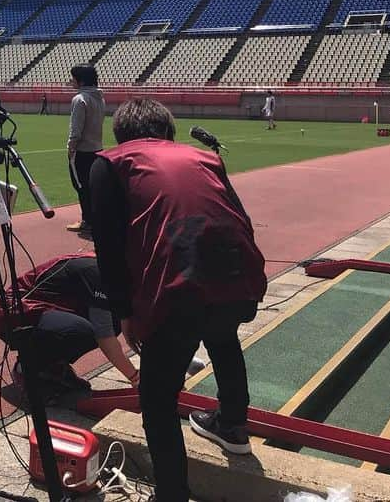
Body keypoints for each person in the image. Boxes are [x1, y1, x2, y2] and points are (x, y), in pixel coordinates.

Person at [90, 98, 267, 502]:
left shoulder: (111, 164)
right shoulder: (206, 159)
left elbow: (108, 248)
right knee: (223, 336)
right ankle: (234, 425)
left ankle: (171, 494)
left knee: (157, 400)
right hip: (237, 277)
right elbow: (238, 218)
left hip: (176, 292)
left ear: (120, 134)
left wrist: (126, 315)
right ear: (168, 130)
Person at [0, 254, 140, 396]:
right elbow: (105, 336)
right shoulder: (99, 274)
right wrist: (136, 378)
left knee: (115, 319)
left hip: (53, 308)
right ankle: (26, 368)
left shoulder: (117, 269)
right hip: (18, 312)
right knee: (85, 331)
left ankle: (53, 365)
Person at [66, 64, 105, 237]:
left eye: (73, 78)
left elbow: (76, 129)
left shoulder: (80, 99)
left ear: (80, 80)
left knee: (81, 186)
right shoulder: (99, 97)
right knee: (92, 187)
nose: (70, 81)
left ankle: (88, 221)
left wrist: (71, 147)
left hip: (82, 151)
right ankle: (95, 219)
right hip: (97, 148)